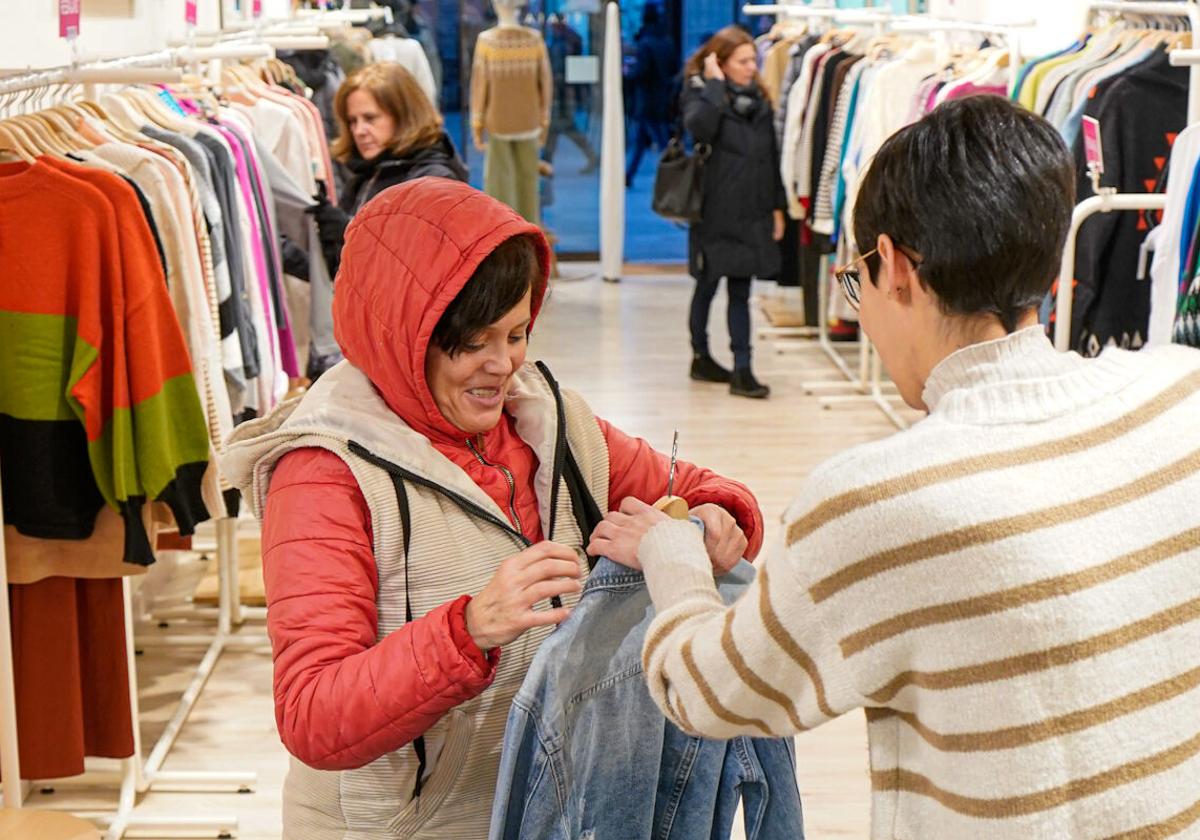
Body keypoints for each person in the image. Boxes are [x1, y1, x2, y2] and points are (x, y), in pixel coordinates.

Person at [589, 95, 1200, 838]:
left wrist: (670, 555)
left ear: (898, 267)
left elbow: (710, 692)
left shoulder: (879, 500)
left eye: (858, 279)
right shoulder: (1180, 392)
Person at [222, 177, 764, 839]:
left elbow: (703, 488)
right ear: (403, 334)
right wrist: (466, 631)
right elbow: (311, 714)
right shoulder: (324, 475)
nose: (503, 364)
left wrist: (711, 525)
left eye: (516, 332)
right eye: (473, 342)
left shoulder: (549, 421)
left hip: (551, 814)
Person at [681, 26, 786, 399]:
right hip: (714, 208)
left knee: (741, 289)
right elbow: (699, 129)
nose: (750, 67)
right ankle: (701, 357)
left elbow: (771, 156)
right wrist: (712, 85)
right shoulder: (701, 92)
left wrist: (777, 206)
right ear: (720, 62)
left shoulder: (759, 97)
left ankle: (743, 369)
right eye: (741, 61)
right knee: (707, 284)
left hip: (753, 207)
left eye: (752, 60)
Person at [307, 62, 468, 279]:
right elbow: (348, 275)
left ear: (403, 116)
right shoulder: (369, 174)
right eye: (352, 121)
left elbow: (419, 272)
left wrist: (349, 232)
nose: (359, 131)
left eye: (370, 118)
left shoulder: (433, 181)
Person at [624, 5, 678, 186]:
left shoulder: (645, 44)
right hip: (661, 97)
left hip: (646, 100)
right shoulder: (666, 41)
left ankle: (675, 173)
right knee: (643, 140)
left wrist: (627, 72)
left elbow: (641, 72)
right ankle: (628, 175)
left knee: (659, 140)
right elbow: (673, 70)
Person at [543, 13, 599, 175]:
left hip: (564, 93)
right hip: (558, 93)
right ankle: (546, 163)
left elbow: (563, 68)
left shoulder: (567, 41)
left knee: (565, 128)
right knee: (555, 130)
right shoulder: (557, 40)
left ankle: (546, 163)